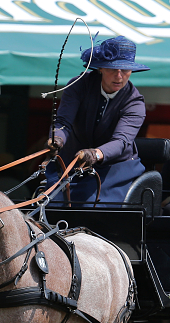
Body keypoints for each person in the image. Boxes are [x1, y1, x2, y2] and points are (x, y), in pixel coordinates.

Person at [45, 35, 149, 205]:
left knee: (90, 205)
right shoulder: (78, 85)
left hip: (114, 169)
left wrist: (95, 154)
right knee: (51, 203)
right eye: (112, 69)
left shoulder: (135, 103)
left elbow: (121, 141)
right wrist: (57, 138)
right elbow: (63, 122)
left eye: (125, 69)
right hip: (71, 162)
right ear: (100, 68)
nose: (119, 75)